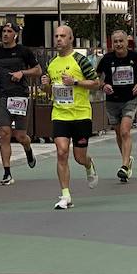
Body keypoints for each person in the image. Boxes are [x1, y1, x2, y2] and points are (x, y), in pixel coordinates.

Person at [45, 24, 101, 209]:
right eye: (56, 36)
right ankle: (65, 195)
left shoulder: (80, 60)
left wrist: (75, 82)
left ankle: (88, 164)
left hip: (80, 114)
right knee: (61, 152)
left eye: (63, 36)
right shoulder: (52, 63)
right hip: (60, 114)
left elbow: (96, 83)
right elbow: (49, 92)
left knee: (79, 157)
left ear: (70, 39)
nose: (59, 39)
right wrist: (45, 85)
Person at [0, 22, 41, 186]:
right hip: (3, 96)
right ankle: (7, 172)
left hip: (20, 97)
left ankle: (28, 149)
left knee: (20, 135)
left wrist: (22, 72)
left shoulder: (24, 51)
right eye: (4, 31)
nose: (5, 34)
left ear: (15, 35)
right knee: (4, 133)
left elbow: (38, 70)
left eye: (9, 31)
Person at [97, 29, 137, 182]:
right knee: (119, 133)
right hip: (112, 100)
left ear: (127, 42)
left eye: (121, 41)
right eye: (115, 41)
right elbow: (96, 77)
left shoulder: (135, 56)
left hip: (129, 98)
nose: (118, 44)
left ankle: (124, 166)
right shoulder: (107, 59)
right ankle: (127, 160)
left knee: (125, 131)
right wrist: (103, 85)